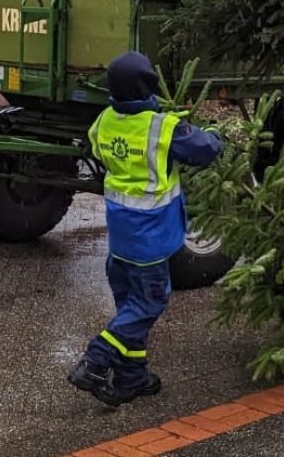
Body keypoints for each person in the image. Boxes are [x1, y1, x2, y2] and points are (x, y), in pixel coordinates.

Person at [68, 50, 224, 407]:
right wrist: (216, 134)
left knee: (131, 309)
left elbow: (97, 148)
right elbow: (204, 149)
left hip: (120, 240)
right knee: (149, 303)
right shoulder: (161, 127)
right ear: (147, 85)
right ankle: (95, 360)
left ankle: (131, 378)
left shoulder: (104, 121)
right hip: (150, 242)